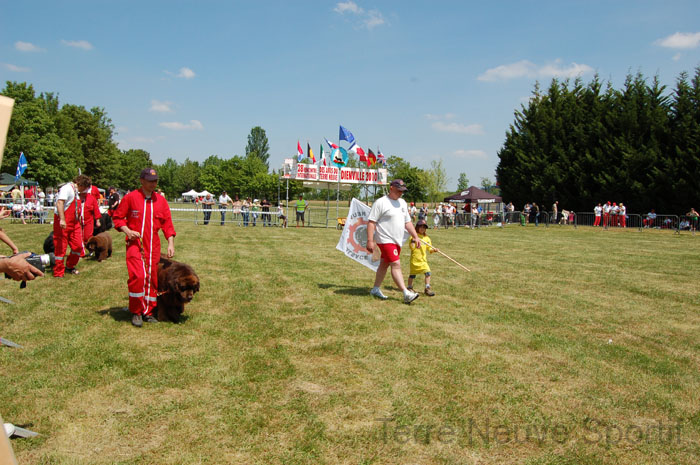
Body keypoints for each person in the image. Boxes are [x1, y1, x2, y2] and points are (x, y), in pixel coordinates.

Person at [113, 168, 175, 327]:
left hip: (153, 245)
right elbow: (118, 218)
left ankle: (149, 311)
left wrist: (170, 243)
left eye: (155, 181)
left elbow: (167, 223)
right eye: (150, 181)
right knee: (138, 276)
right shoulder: (130, 198)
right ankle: (136, 311)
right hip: (135, 245)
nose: (153, 184)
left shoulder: (161, 201)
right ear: (142, 180)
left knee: (151, 278)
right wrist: (127, 231)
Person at [365, 179, 421, 304]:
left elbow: (408, 222)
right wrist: (370, 240)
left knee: (384, 264)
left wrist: (416, 236)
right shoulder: (381, 203)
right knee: (396, 264)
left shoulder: (402, 203)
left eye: (402, 191)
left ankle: (375, 289)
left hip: (397, 240)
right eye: (398, 190)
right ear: (391, 188)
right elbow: (371, 222)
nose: (401, 193)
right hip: (385, 239)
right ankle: (406, 293)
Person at [53, 175, 91, 277]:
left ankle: (70, 266)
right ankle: (58, 271)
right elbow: (60, 203)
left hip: (74, 224)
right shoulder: (67, 189)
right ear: (81, 185)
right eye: (85, 187)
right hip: (64, 222)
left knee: (78, 246)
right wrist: (62, 219)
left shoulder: (76, 193)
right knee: (61, 248)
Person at [407, 219, 438, 296]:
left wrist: (434, 250)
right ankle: (409, 287)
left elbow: (429, 249)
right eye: (421, 226)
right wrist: (413, 241)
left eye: (424, 227)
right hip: (415, 260)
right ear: (417, 227)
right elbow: (412, 248)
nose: (422, 228)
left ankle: (427, 289)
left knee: (428, 273)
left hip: (423, 261)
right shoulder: (413, 237)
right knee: (412, 275)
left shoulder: (427, 238)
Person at [79, 185, 101, 251]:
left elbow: (96, 210)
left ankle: (90, 248)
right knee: (78, 237)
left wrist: (97, 220)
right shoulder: (76, 198)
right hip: (78, 221)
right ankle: (80, 251)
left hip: (88, 220)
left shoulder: (91, 198)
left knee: (87, 236)